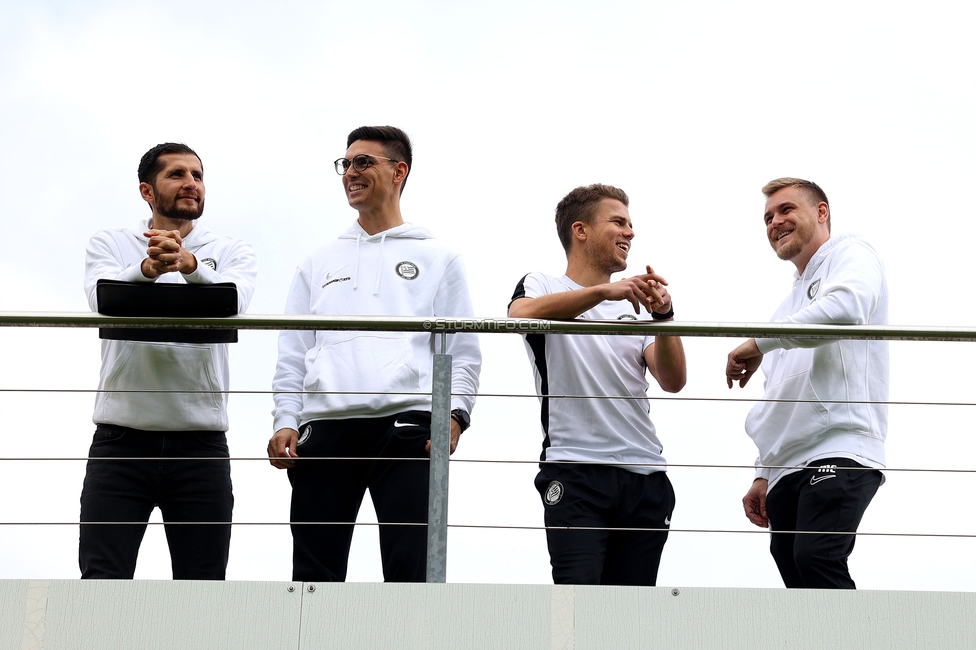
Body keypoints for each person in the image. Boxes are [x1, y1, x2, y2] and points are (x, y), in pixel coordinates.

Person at [268, 125, 481, 583]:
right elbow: (293, 351)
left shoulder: (439, 257)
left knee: (414, 576)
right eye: (345, 164)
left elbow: (462, 351)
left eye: (363, 162)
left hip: (408, 429)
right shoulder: (318, 260)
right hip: (325, 430)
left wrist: (456, 415)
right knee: (312, 581)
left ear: (399, 171)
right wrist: (286, 419)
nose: (350, 172)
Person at [81, 142, 257, 579]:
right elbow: (103, 300)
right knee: (101, 582)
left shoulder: (233, 250)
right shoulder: (110, 242)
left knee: (202, 587)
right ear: (147, 190)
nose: (191, 184)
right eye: (177, 174)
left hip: (201, 444)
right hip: (121, 441)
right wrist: (146, 269)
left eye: (197, 175)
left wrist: (190, 264)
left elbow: (232, 304)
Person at [507, 183, 686, 585]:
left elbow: (673, 380)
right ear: (580, 230)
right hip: (575, 471)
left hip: (646, 476)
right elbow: (521, 315)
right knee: (577, 607)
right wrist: (605, 291)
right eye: (618, 222)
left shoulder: (635, 306)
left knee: (628, 620)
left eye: (631, 224)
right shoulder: (542, 283)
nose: (630, 232)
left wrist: (665, 316)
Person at [726, 177, 888, 589]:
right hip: (786, 467)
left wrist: (759, 341)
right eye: (767, 217)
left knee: (816, 555)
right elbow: (779, 392)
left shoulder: (850, 253)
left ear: (821, 212)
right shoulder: (784, 309)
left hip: (841, 446)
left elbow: (846, 309)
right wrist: (764, 470)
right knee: (794, 568)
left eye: (785, 210)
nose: (775, 222)